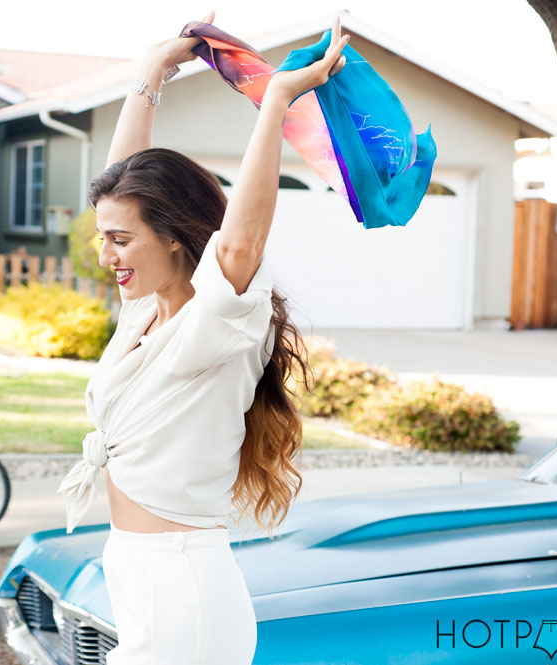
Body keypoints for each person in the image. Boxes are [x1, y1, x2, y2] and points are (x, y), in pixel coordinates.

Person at [55, 12, 349, 665]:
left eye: (121, 240)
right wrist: (151, 72)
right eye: (105, 237)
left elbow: (241, 237)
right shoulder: (144, 313)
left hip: (182, 588)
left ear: (176, 236)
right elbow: (121, 182)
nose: (106, 254)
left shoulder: (219, 322)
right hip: (136, 571)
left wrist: (275, 101)